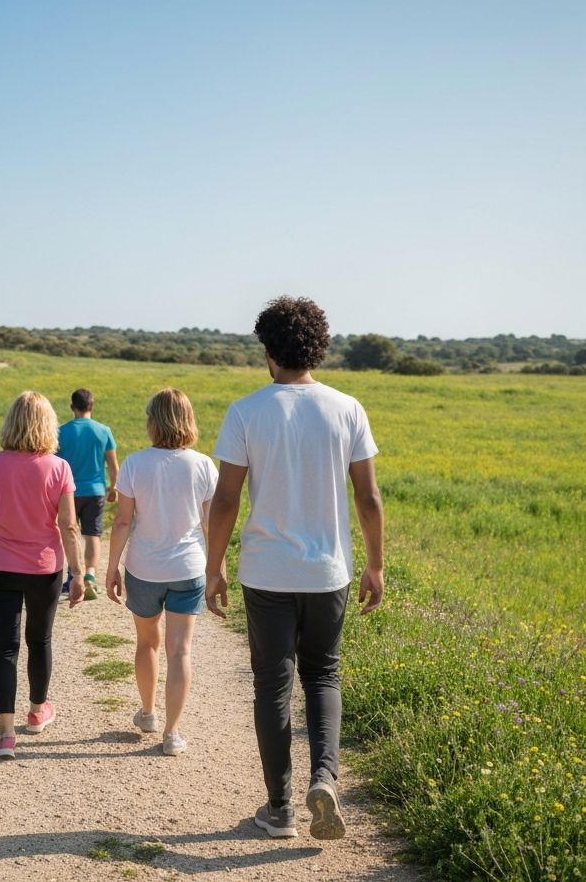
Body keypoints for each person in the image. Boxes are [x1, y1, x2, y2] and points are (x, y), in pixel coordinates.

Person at [205, 296, 384, 841]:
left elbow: (226, 500)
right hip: (330, 571)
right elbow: (369, 497)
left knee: (272, 684)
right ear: (317, 349)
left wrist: (213, 567)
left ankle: (279, 808)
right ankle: (324, 778)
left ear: (268, 351)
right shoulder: (347, 407)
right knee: (323, 673)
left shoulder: (246, 411)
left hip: (266, 572)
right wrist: (375, 565)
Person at [0, 391, 86, 760]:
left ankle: (5, 734)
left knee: (5, 647)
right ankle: (36, 712)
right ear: (48, 424)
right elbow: (69, 526)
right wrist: (79, 572)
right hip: (44, 569)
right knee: (40, 639)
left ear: (11, 422)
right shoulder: (59, 467)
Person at [105, 388, 217, 756]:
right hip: (189, 568)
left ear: (153, 421)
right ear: (188, 420)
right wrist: (219, 569)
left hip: (143, 568)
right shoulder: (203, 465)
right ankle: (172, 734)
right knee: (180, 651)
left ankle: (149, 713)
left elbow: (122, 521)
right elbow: (210, 525)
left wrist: (111, 568)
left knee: (147, 643)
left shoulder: (135, 464)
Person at [56, 388, 118, 600]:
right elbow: (112, 464)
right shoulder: (104, 430)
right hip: (96, 490)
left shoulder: (60, 432)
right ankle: (90, 575)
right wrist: (114, 487)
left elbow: (53, 465)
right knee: (93, 534)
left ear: (72, 406)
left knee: (68, 532)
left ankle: (72, 576)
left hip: (67, 492)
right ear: (92, 405)